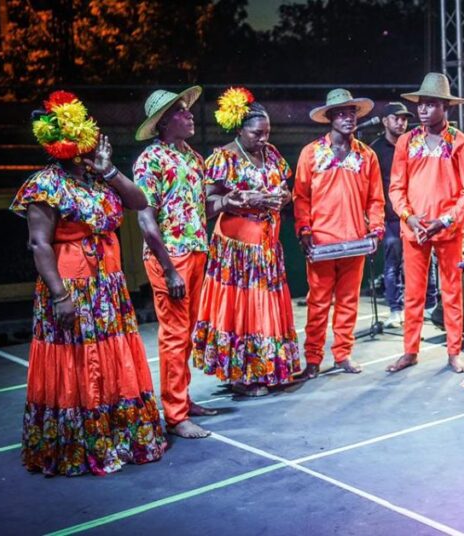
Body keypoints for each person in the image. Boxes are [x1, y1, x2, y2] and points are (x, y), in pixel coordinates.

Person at [15, 91, 165, 475]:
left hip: (107, 287)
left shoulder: (99, 179)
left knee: (112, 357)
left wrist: (109, 169)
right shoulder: (45, 184)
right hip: (73, 287)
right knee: (79, 361)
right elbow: (39, 243)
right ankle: (79, 445)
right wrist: (60, 295)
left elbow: (138, 200)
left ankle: (118, 436)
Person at [191, 87, 302, 397]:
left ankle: (266, 370)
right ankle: (240, 373)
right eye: (257, 133)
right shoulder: (223, 158)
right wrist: (231, 200)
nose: (263, 139)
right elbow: (207, 204)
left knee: (265, 307)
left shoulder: (273, 155)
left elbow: (287, 191)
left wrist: (282, 197)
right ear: (240, 129)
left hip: (267, 245)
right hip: (237, 249)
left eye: (267, 133)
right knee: (243, 309)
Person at [133, 86, 217, 439]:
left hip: (196, 251)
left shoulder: (193, 158)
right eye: (183, 112)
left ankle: (182, 399)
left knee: (187, 335)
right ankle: (175, 414)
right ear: (166, 121)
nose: (191, 115)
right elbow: (146, 219)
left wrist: (229, 199)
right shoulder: (149, 160)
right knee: (174, 335)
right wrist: (168, 268)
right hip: (171, 256)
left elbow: (200, 209)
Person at [386, 72, 464, 374]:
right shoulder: (406, 142)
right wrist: (410, 217)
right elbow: (396, 188)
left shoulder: (460, 142)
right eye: (421, 104)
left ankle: (454, 352)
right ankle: (410, 351)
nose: (423, 110)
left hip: (447, 230)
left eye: (430, 105)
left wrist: (444, 220)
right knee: (413, 293)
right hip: (414, 229)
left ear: (445, 108)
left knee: (451, 291)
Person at [294, 88, 386, 378]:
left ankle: (343, 354)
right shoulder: (311, 153)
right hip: (321, 241)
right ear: (330, 118)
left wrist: (375, 229)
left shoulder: (366, 155)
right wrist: (304, 230)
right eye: (342, 113)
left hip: (355, 241)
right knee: (318, 302)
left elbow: (375, 199)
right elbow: (301, 196)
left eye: (352, 113)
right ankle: (312, 358)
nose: (348, 118)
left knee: (348, 302)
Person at [369, 101, 438, 329]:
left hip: (415, 214)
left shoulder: (413, 144)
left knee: (426, 259)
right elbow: (371, 186)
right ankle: (395, 309)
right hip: (390, 216)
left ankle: (430, 305)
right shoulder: (375, 149)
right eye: (396, 118)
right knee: (392, 263)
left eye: (404, 118)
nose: (401, 122)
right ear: (384, 121)